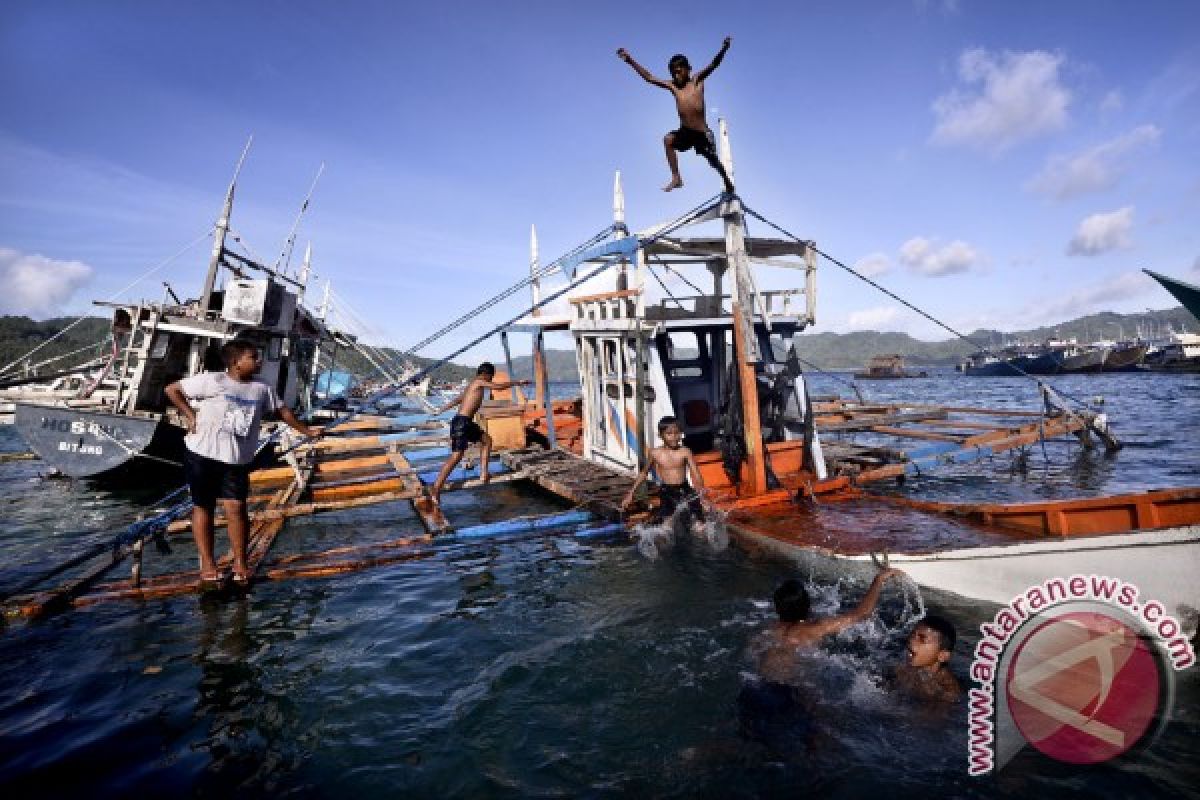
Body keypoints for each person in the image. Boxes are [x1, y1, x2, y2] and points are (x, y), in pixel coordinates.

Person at [165, 339, 321, 587]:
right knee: (203, 507)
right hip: (202, 454)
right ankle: (208, 562)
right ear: (236, 363)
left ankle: (240, 562)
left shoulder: (262, 388)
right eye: (254, 357)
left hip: (236, 460)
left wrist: (306, 431)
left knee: (236, 509)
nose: (259, 361)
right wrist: (190, 415)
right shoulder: (212, 381)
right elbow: (172, 390)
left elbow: (283, 412)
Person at [616, 37, 736, 194]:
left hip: (702, 133)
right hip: (685, 132)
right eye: (673, 72)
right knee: (668, 140)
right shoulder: (673, 86)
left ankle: (726, 179)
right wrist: (630, 61)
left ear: (688, 69)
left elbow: (714, 64)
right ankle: (676, 178)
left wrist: (724, 49)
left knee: (712, 161)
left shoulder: (697, 81)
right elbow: (649, 78)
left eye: (679, 71)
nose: (676, 75)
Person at [758, 569, 904, 683]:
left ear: (777, 608)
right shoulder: (815, 628)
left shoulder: (768, 629)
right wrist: (879, 580)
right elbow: (862, 614)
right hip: (788, 690)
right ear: (807, 606)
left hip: (758, 686)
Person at [427, 362, 530, 507]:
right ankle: (436, 488)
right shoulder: (479, 381)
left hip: (466, 422)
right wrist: (517, 382)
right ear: (486, 374)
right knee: (456, 456)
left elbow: (458, 399)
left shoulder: (473, 385)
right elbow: (498, 387)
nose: (491, 380)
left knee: (487, 441)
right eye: (491, 377)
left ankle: (484, 473)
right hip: (461, 423)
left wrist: (441, 409)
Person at [621, 415, 709, 528]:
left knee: (699, 525)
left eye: (677, 433)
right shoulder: (655, 453)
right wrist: (631, 494)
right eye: (669, 434)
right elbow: (644, 473)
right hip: (667, 491)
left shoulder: (685, 451)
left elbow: (696, 474)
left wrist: (703, 497)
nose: (674, 437)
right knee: (667, 526)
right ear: (660, 435)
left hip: (685, 489)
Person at [893, 615, 962, 703]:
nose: (911, 640)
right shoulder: (905, 669)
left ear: (942, 656)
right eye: (912, 634)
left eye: (922, 639)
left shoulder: (946, 692)